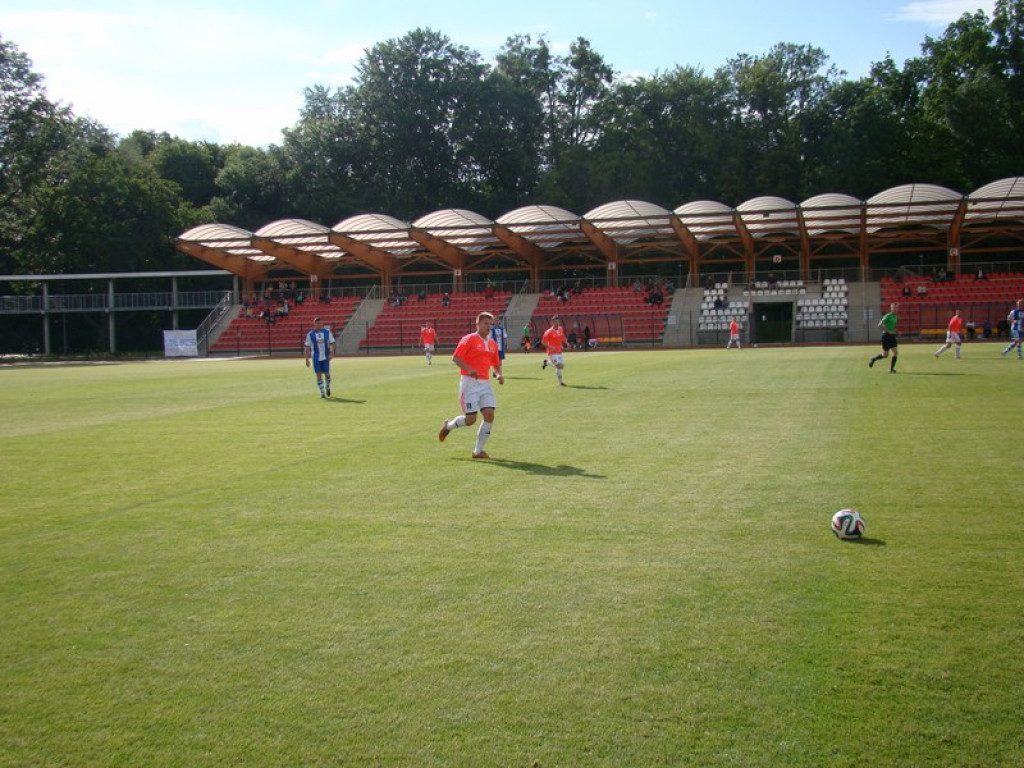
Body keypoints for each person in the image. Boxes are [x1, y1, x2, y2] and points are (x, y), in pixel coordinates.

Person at [438, 312, 504, 459]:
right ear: (478, 324)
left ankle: (478, 451)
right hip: (469, 383)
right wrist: (469, 369)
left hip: (485, 384)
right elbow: (456, 358)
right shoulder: (469, 339)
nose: (488, 326)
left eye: (490, 324)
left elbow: (496, 364)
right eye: (486, 323)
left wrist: (498, 374)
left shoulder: (492, 344)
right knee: (471, 420)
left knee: (489, 415)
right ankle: (448, 426)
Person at [304, 317, 336, 397]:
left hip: (325, 356)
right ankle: (322, 392)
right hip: (316, 357)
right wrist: (307, 360)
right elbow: (307, 347)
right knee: (318, 374)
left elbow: (332, 343)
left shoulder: (327, 332)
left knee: (327, 374)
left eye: (319, 323)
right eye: (316, 323)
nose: (318, 325)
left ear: (322, 323)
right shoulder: (310, 334)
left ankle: (327, 386)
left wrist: (332, 353)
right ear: (314, 324)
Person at [869, 303, 899, 373]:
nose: (895, 309)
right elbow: (879, 325)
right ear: (891, 308)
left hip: (892, 336)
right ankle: (873, 359)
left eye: (896, 308)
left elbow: (892, 326)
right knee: (885, 355)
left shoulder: (896, 317)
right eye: (894, 308)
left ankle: (891, 370)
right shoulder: (888, 316)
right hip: (886, 336)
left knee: (895, 352)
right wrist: (888, 331)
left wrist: (895, 331)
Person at [540, 315, 568, 386]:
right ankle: (548, 363)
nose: (557, 323)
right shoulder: (548, 332)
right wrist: (551, 347)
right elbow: (543, 342)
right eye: (555, 321)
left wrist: (567, 343)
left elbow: (563, 336)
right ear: (552, 322)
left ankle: (560, 382)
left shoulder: (561, 329)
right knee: (559, 366)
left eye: (558, 321)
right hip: (552, 352)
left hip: (559, 351)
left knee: (561, 367)